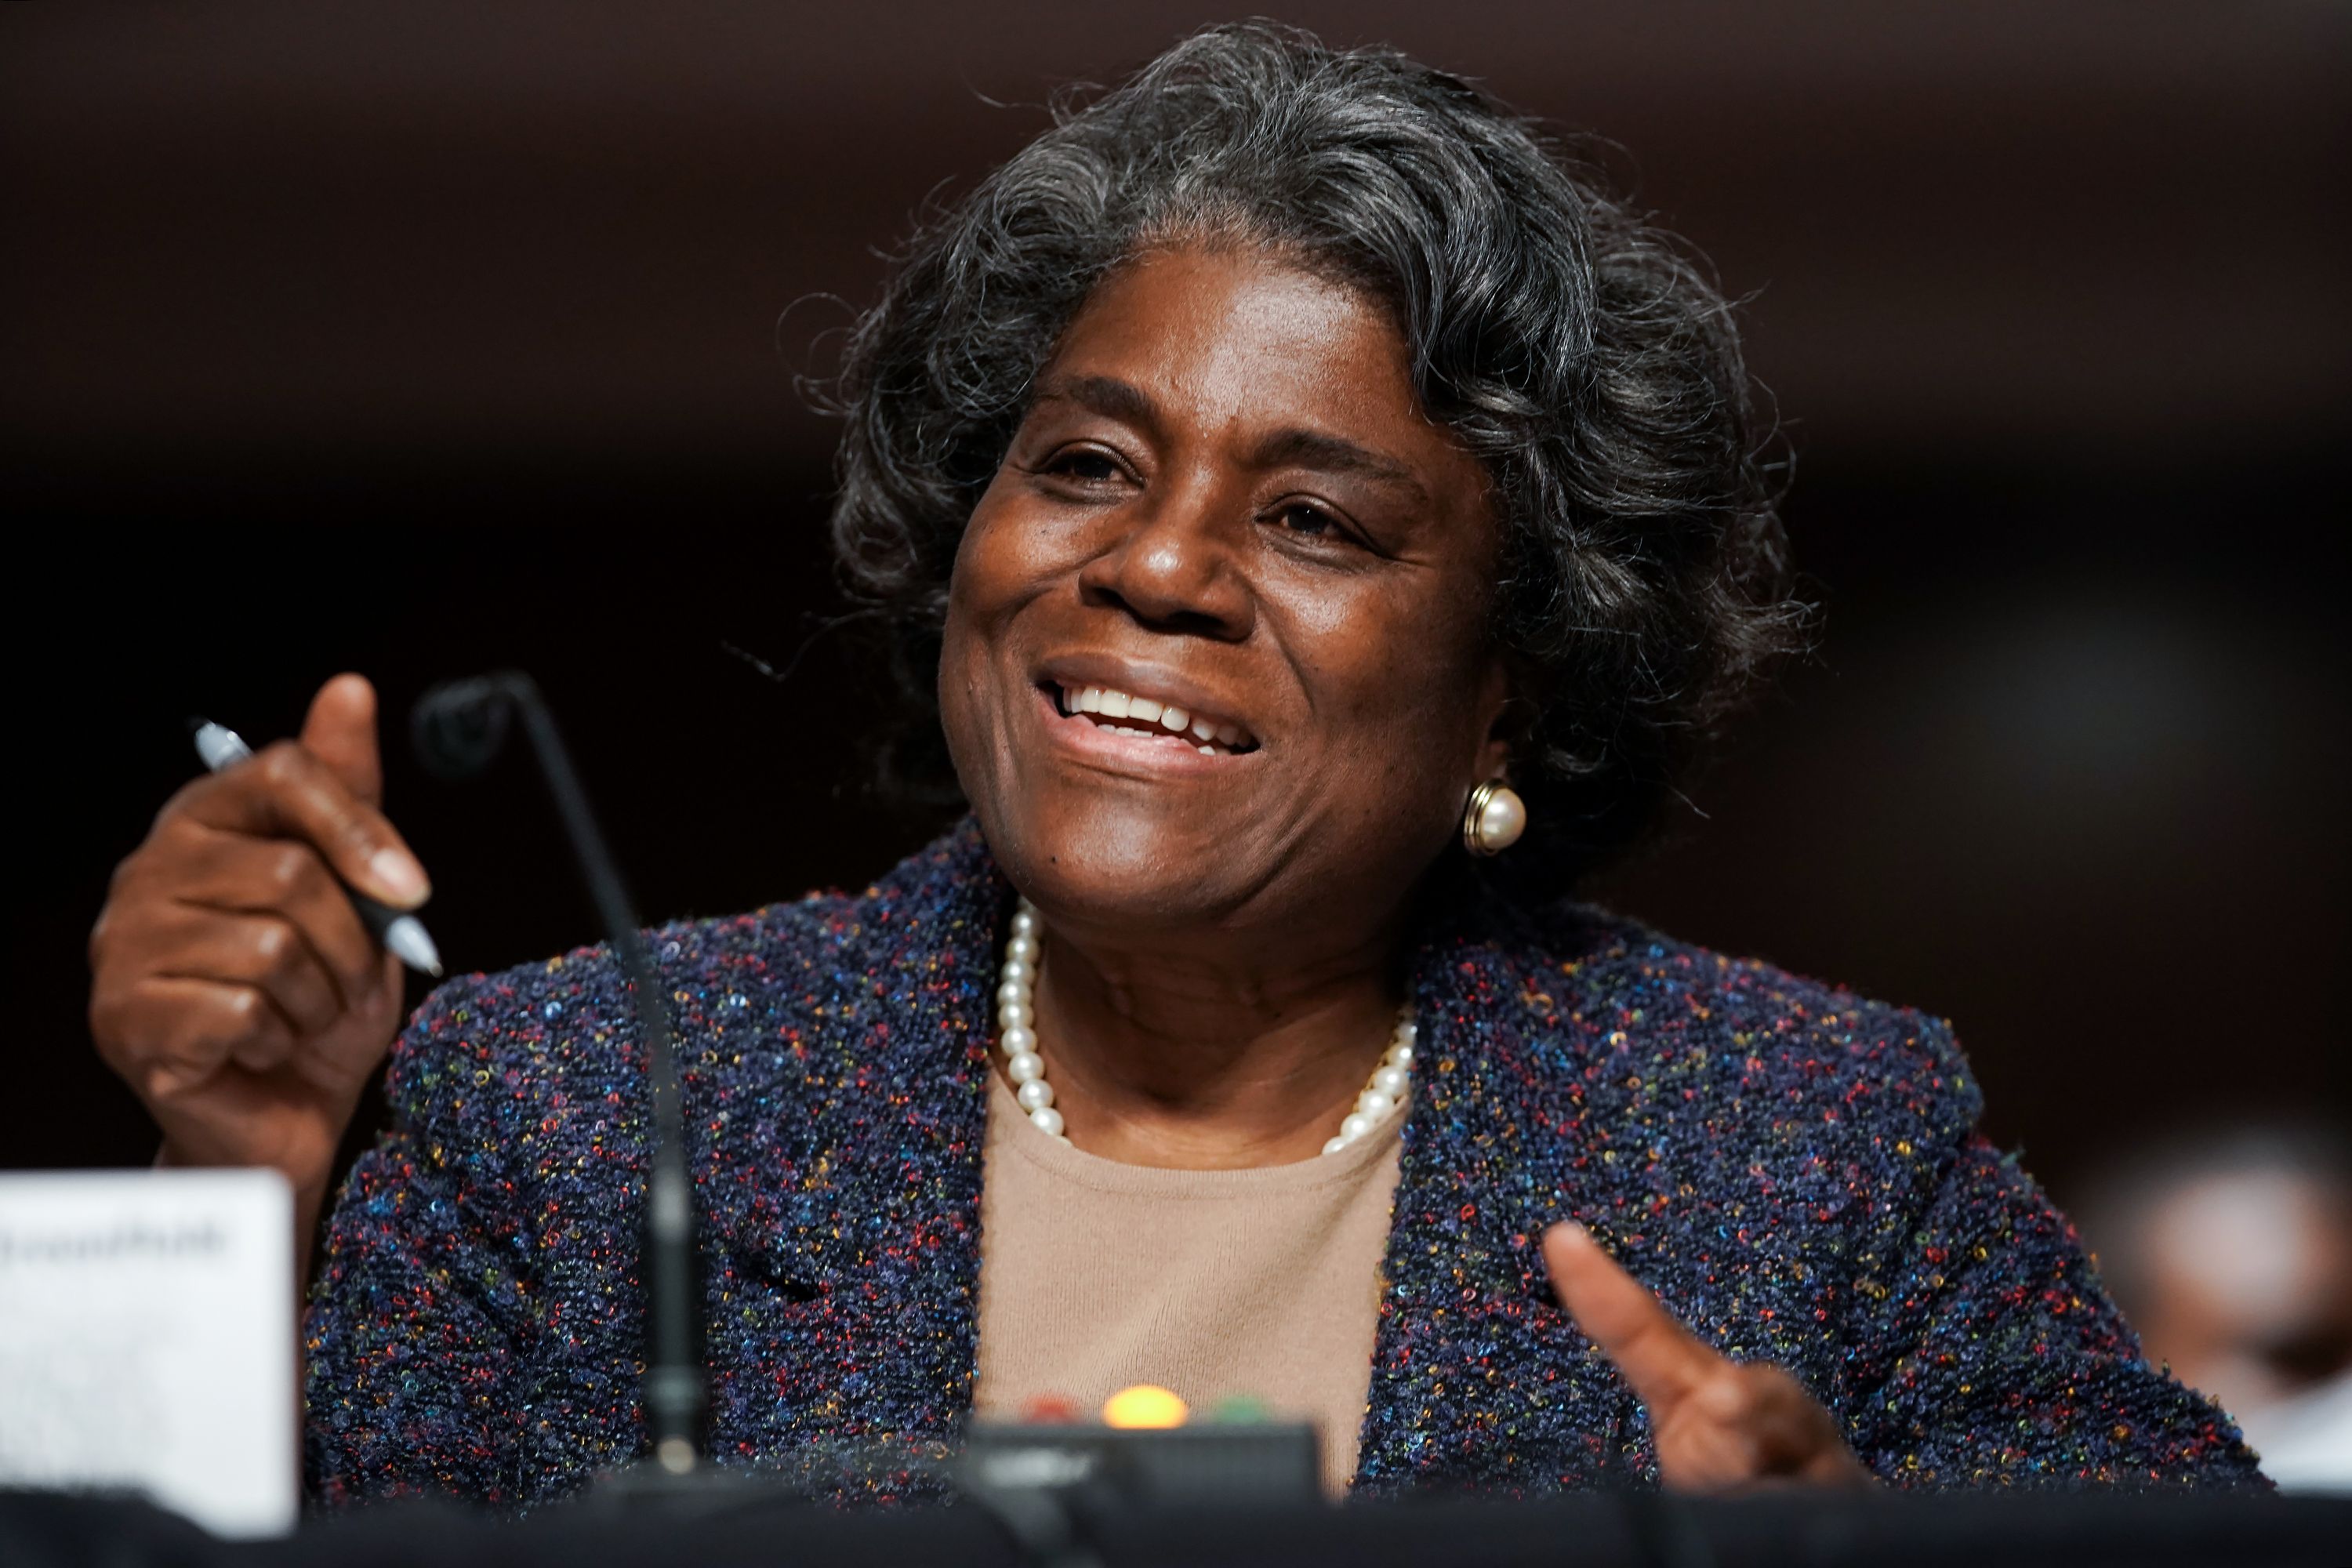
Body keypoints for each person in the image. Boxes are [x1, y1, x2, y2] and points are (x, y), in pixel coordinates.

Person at [85, 24, 2260, 1506]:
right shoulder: (571, 1110)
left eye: (1314, 521)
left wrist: (1880, 1561)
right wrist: (243, 1185)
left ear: (1517, 680)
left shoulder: (1812, 1146)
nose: (1159, 569)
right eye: (1086, 465)